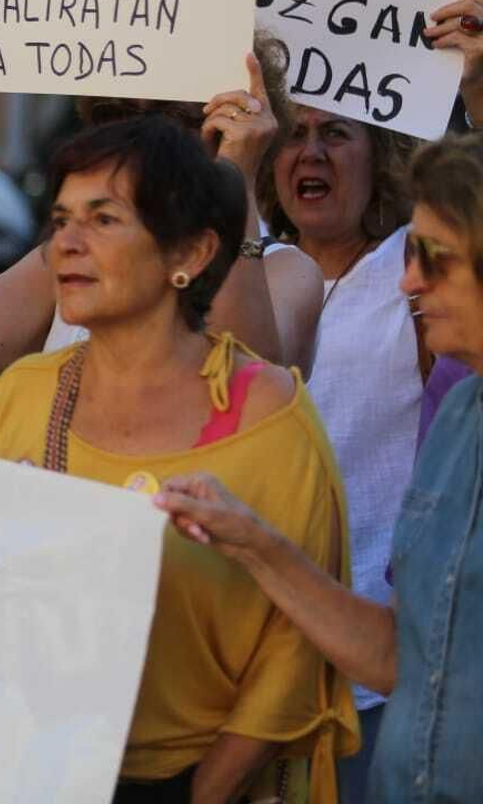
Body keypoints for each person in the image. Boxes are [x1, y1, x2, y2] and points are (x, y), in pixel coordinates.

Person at [0, 116, 356, 803]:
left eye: (103, 219)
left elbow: (293, 646)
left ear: (189, 253)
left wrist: (203, 792)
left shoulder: (270, 414)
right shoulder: (24, 392)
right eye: (60, 219)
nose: (66, 244)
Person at [155, 131, 483, 804]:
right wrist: (254, 541)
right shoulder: (458, 417)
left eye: (436, 259)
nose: (410, 281)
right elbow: (404, 655)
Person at [0, 15, 323, 386]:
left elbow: (238, 384)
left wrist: (235, 176)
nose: (139, 143)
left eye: (175, 118)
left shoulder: (285, 272)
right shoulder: (72, 255)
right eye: (116, 116)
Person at [255, 103, 420, 779]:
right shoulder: (238, 269)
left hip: (373, 671)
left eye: (336, 134)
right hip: (246, 667)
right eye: (294, 135)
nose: (312, 153)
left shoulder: (416, 269)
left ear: (378, 157)